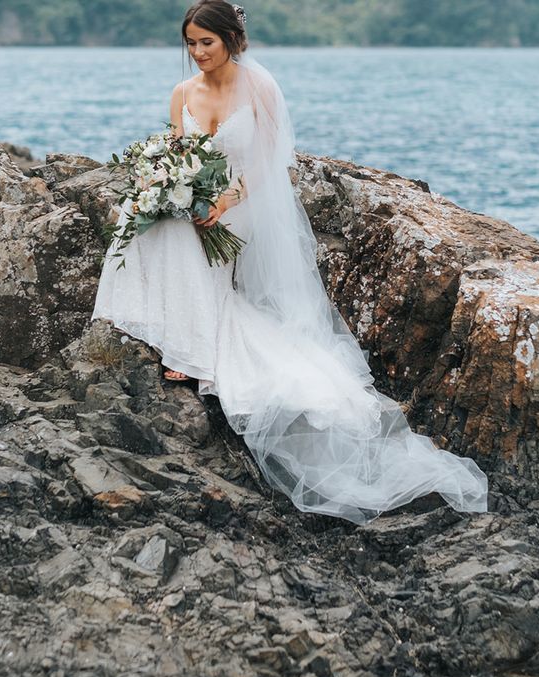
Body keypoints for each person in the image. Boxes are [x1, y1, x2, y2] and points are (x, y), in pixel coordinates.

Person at [92, 0, 489, 525]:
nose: (196, 53)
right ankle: (161, 323)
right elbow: (178, 155)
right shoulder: (181, 94)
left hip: (242, 206)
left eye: (205, 42)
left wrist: (225, 202)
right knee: (144, 218)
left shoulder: (259, 87)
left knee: (188, 233)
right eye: (190, 43)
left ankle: (190, 351)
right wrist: (163, 186)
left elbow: (271, 158)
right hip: (200, 197)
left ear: (232, 39)